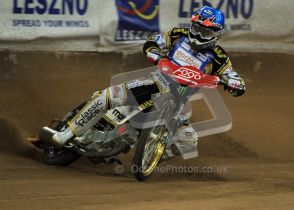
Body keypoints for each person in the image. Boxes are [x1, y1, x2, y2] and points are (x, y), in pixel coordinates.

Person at [51, 6, 246, 158]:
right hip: (155, 83)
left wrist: (235, 83)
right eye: (196, 28)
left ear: (216, 34)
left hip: (178, 103)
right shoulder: (177, 34)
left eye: (205, 33)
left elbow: (231, 74)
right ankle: (67, 133)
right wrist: (155, 54)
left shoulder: (219, 56)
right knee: (108, 96)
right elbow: (153, 42)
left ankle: (150, 154)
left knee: (188, 142)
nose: (198, 35)